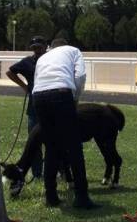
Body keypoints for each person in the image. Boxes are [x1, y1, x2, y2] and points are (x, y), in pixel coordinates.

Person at [32, 38, 98, 209]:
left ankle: (51, 196)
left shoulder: (43, 57)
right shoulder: (74, 51)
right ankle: (82, 197)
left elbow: (38, 78)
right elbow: (81, 76)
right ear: (65, 45)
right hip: (61, 93)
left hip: (38, 96)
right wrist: (75, 98)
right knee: (74, 146)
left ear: (51, 47)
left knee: (52, 146)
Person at [5, 36, 47, 181]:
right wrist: (24, 86)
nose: (37, 50)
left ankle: (57, 171)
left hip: (51, 106)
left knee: (54, 141)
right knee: (34, 142)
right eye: (34, 48)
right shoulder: (27, 62)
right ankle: (37, 174)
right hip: (34, 108)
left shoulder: (51, 61)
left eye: (39, 47)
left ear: (45, 47)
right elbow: (10, 72)